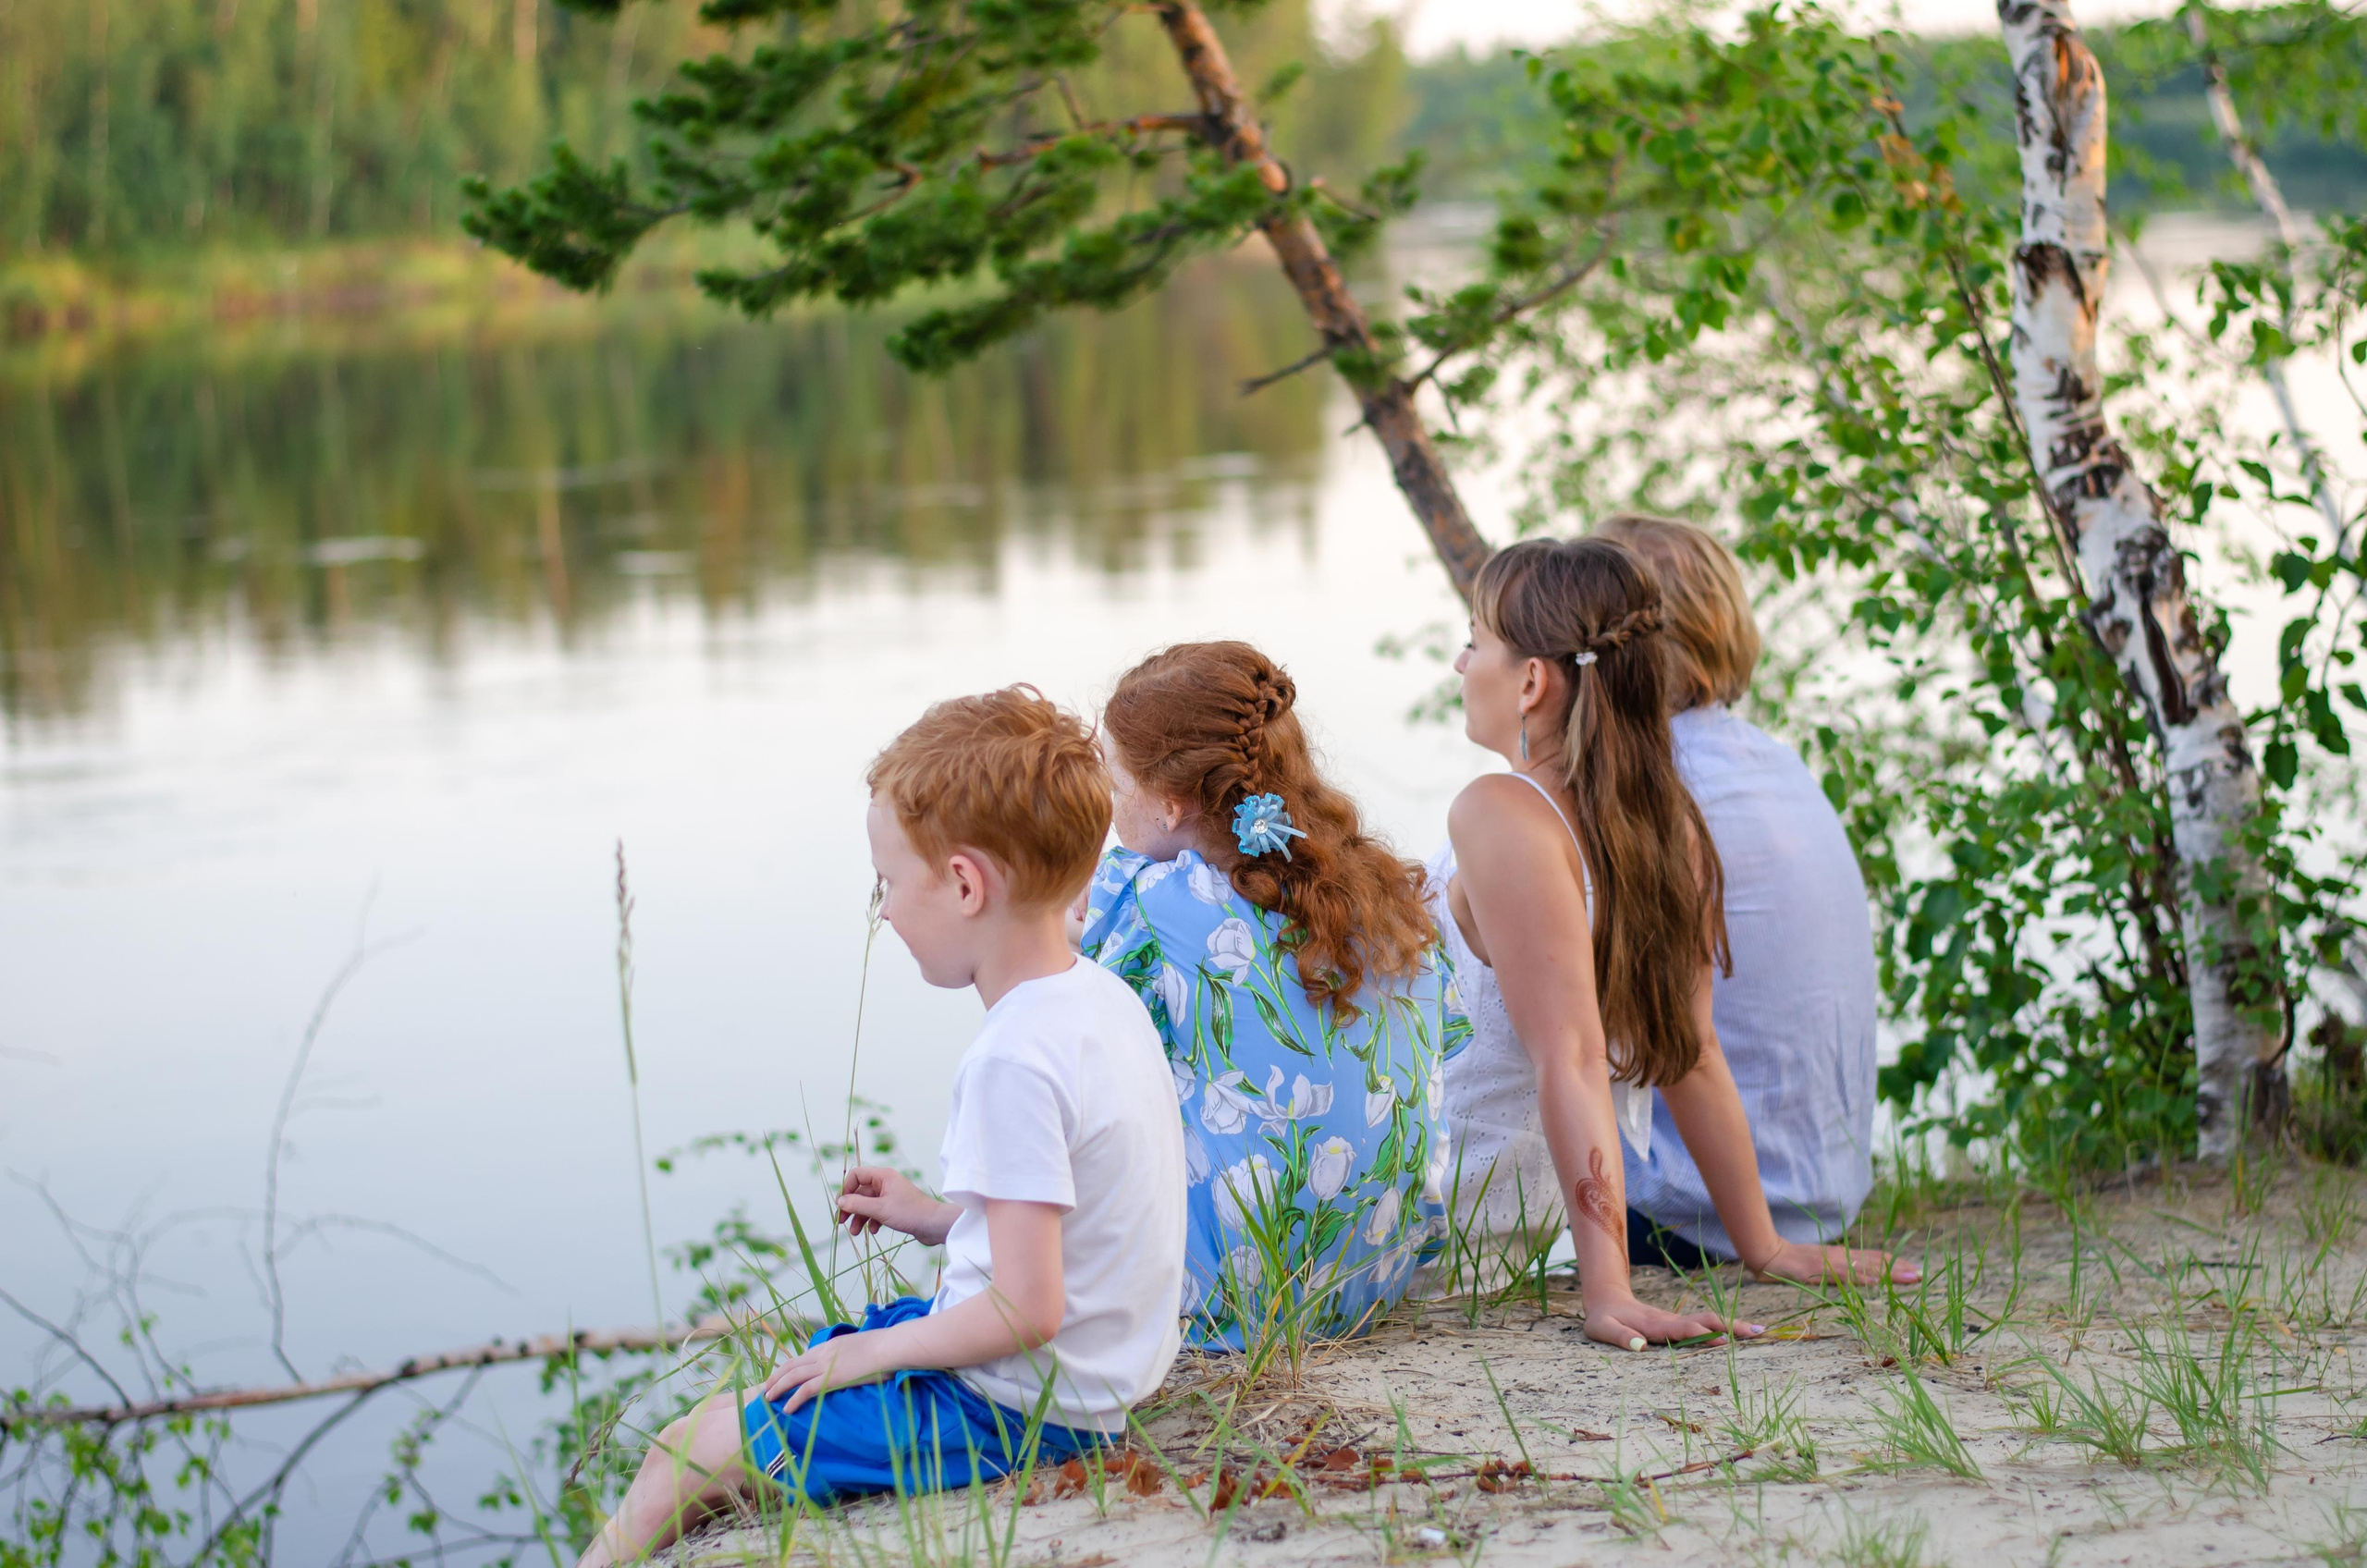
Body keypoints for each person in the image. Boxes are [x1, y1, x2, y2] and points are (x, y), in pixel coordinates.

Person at [578, 688, 1185, 1566]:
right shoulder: (1098, 1001)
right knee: (755, 1396)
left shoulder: (1012, 1058)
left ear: (967, 884)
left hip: (1018, 1413)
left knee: (683, 1452)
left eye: (890, 883)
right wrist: (938, 1216)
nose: (886, 909)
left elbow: (1028, 1307)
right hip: (1096, 1378)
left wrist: (874, 1356)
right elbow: (1073, 1223)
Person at [1431, 536, 1908, 1353]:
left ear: (1533, 682)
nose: (1458, 662)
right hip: (1517, 1198)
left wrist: (1607, 1290)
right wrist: (1762, 1244)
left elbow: (1573, 1058)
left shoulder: (1499, 812)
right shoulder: (1666, 822)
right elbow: (1691, 1050)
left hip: (1452, 1204)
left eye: (1476, 641)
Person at [1082, 642, 1466, 1350]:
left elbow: (1070, 1055)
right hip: (1368, 1280)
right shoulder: (1383, 890)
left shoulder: (1151, 897)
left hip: (1228, 1304)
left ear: (1169, 805)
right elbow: (1450, 1041)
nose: (1107, 806)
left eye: (1115, 784)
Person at [1596, 512, 1879, 1268]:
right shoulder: (1774, 762)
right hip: (1824, 1189)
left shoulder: (1656, 792)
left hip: (1696, 1215)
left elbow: (1672, 1037)